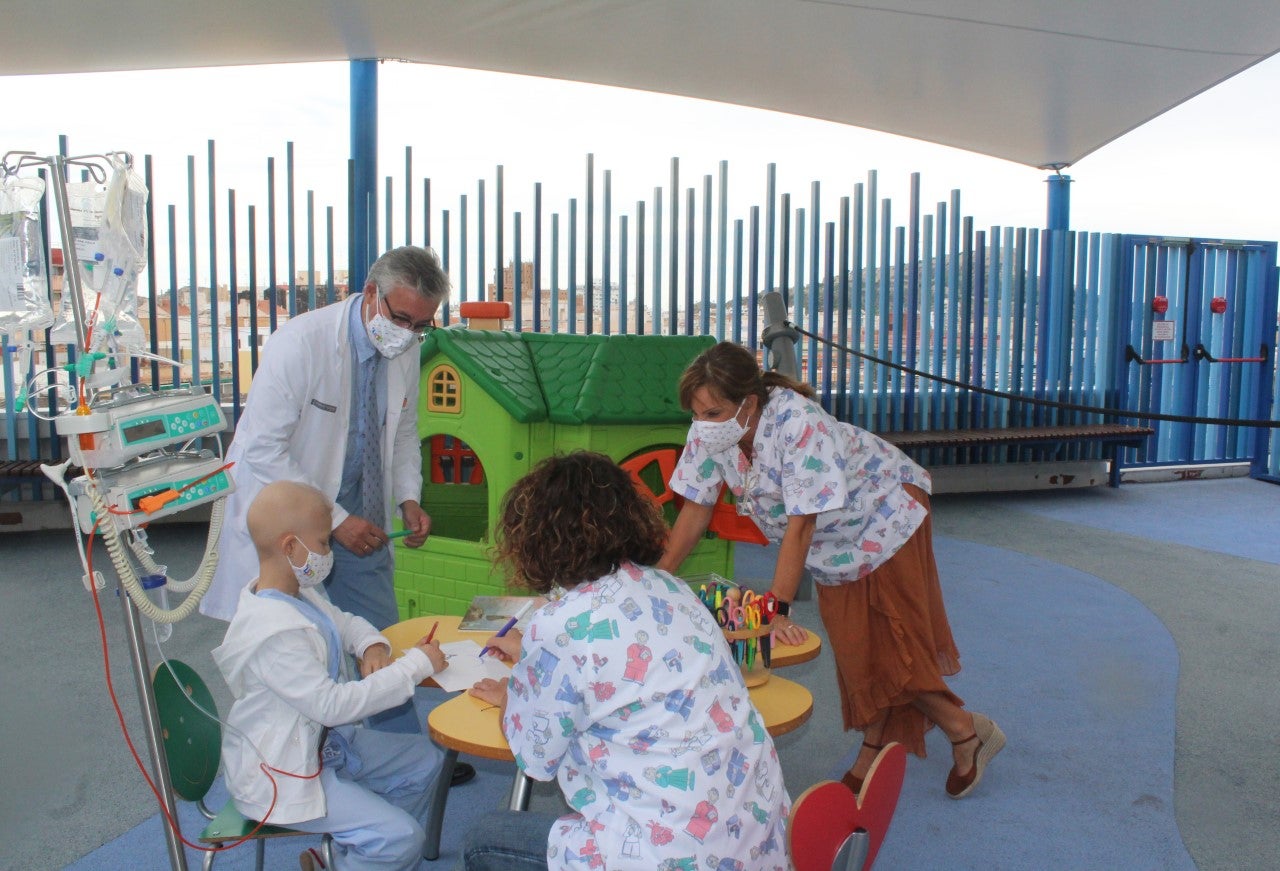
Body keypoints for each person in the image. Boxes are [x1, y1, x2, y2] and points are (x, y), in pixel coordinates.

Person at [657, 341, 1004, 800]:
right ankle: (886, 742)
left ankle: (963, 732)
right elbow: (695, 509)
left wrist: (774, 609)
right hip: (833, 544)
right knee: (858, 648)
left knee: (895, 643)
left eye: (713, 413)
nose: (702, 425)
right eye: (696, 414)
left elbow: (801, 525)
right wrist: (656, 576)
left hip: (883, 514)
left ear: (750, 404)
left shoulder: (798, 422)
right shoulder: (712, 432)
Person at [459, 452, 792, 871]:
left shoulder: (557, 627)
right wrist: (535, 657)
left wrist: (515, 693)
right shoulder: (671, 587)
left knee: (483, 838)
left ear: (535, 539)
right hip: (756, 841)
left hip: (666, 856)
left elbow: (537, 757)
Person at [202, 245, 450, 737]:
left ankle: (394, 746)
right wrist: (336, 521)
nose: (410, 335)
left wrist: (408, 498)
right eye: (402, 319)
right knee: (293, 639)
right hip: (297, 520)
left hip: (365, 509)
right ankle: (303, 749)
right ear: (370, 295)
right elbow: (264, 448)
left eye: (423, 326)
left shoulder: (403, 348)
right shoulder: (300, 342)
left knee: (377, 630)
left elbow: (402, 431)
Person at [213, 480, 449, 871]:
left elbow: (346, 622)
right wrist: (417, 664)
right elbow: (332, 705)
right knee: (403, 838)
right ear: (290, 547)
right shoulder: (273, 633)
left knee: (425, 760)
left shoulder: (296, 593)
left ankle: (346, 858)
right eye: (324, 542)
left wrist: (372, 646)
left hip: (321, 745)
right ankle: (372, 849)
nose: (329, 553)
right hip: (282, 771)